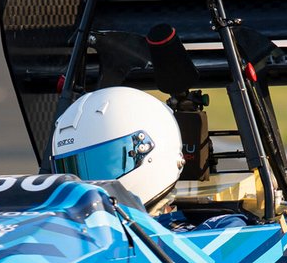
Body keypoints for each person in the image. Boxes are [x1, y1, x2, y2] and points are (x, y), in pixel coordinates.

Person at [51, 86, 248, 232]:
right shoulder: (64, 230)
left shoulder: (216, 230)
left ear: (147, 150)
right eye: (72, 169)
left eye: (101, 164)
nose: (87, 183)